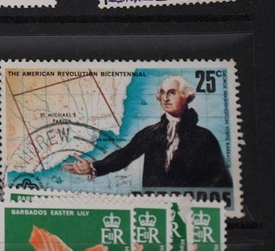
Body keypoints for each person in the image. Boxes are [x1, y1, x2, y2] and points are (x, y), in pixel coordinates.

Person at [62, 75, 232, 188]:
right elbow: (125, 155)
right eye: (162, 93)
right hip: (155, 209)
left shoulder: (204, 137)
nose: (165, 98)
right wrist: (93, 167)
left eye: (171, 93)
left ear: (186, 96)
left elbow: (220, 181)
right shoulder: (151, 133)